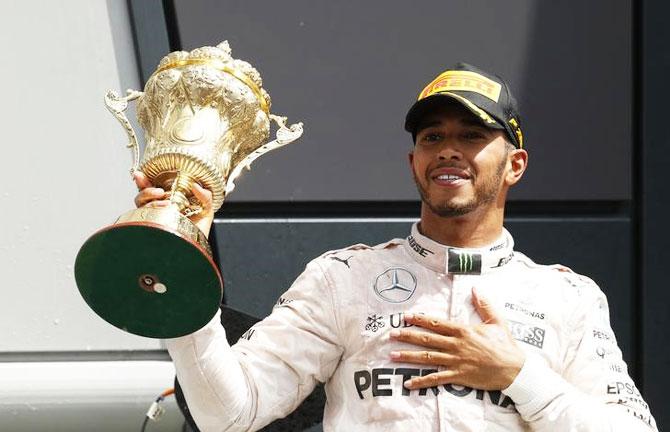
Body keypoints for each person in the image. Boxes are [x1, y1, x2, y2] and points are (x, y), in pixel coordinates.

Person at [134, 63, 657, 431]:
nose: (449, 148)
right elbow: (228, 415)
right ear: (413, 163)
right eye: (432, 137)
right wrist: (185, 274)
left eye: (473, 135)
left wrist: (519, 375)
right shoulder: (343, 278)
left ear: (515, 165)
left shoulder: (568, 297)